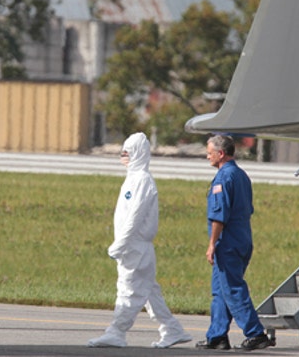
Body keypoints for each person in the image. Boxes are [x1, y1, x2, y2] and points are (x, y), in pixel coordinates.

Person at [87, 132, 192, 349]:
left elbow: (136, 215)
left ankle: (116, 332)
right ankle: (171, 329)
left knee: (129, 290)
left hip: (135, 246)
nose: (122, 156)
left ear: (137, 154)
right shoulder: (133, 179)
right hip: (132, 246)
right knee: (149, 291)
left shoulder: (142, 180)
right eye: (122, 152)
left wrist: (121, 243)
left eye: (127, 152)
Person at [196, 135, 274, 351]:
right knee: (220, 290)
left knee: (232, 288)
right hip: (243, 238)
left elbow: (219, 216)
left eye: (210, 152)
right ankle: (217, 336)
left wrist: (212, 244)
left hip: (227, 242)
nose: (207, 155)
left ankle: (255, 333)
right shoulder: (241, 175)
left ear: (221, 154)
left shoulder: (223, 178)